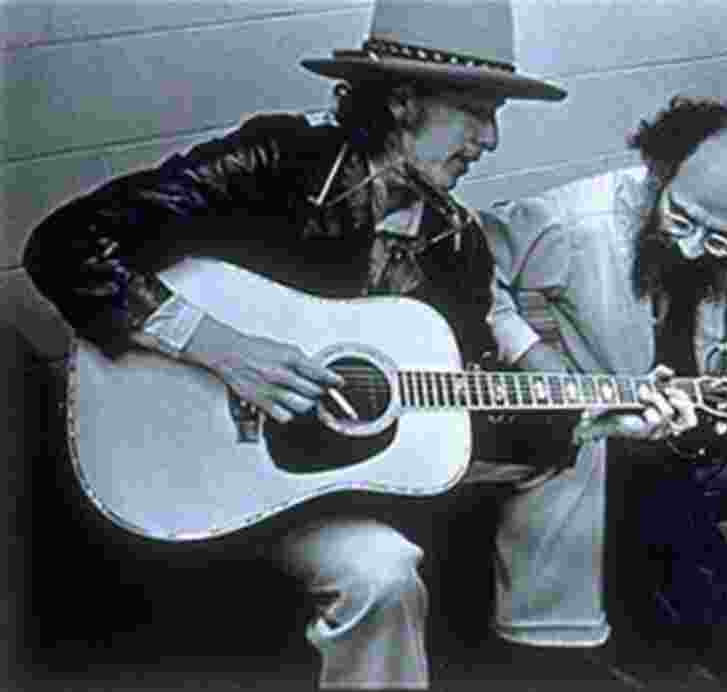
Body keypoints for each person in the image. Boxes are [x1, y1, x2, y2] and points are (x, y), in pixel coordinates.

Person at [21, 2, 657, 690]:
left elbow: (452, 421)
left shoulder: (458, 248)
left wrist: (584, 416)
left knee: (382, 576)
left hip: (320, 493)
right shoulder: (275, 164)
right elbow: (65, 244)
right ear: (404, 100)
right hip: (173, 457)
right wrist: (220, 346)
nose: (491, 139)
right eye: (476, 110)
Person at [482, 96, 727, 690]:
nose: (693, 248)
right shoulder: (578, 218)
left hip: (725, 425)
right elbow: (472, 271)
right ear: (658, 177)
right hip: (628, 446)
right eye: (682, 220)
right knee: (646, 476)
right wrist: (534, 354)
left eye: (722, 240)